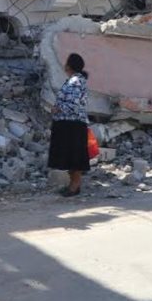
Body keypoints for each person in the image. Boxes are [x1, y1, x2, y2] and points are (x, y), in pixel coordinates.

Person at [47, 52, 90, 197]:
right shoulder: (74, 80)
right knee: (69, 156)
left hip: (73, 125)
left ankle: (75, 186)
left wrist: (57, 108)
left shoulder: (76, 81)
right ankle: (72, 185)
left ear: (69, 65)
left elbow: (73, 104)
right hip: (68, 124)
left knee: (74, 156)